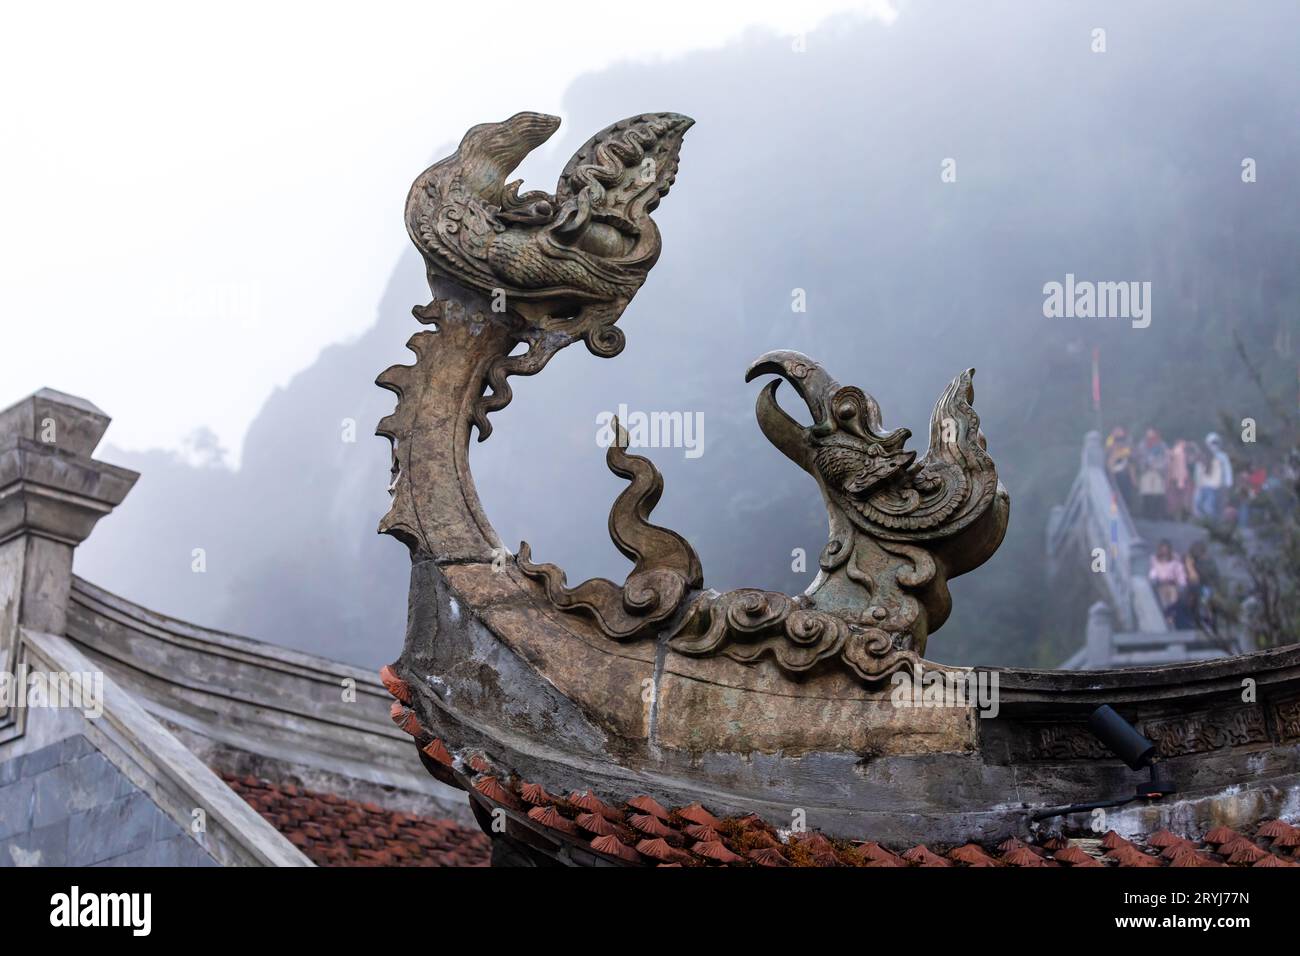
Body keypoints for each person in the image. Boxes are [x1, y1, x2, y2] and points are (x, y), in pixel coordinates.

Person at [1148, 539, 1187, 627]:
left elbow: (1180, 573)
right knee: (1163, 600)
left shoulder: (1175, 560)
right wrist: (1154, 578)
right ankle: (1166, 619)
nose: (1164, 551)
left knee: (1173, 596)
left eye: (1166, 549)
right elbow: (1153, 571)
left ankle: (1172, 618)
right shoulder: (1154, 560)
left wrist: (1182, 584)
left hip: (1172, 584)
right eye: (1163, 549)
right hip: (1160, 584)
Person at [1183, 539, 1219, 628]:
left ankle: (1205, 621)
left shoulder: (1207, 562)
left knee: (1204, 598)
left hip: (1209, 588)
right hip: (1199, 589)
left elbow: (1197, 579)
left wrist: (1190, 566)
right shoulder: (1196, 561)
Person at [1136, 429, 1168, 520]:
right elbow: (1139, 457)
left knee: (1157, 493)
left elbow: (1166, 458)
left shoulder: (1162, 445)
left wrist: (1159, 466)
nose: (1151, 438)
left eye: (1153, 436)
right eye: (1149, 436)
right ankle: (1146, 514)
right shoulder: (1142, 445)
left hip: (1158, 471)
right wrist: (1145, 465)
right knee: (1146, 493)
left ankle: (1156, 515)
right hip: (1146, 471)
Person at [1193, 434, 1226, 519]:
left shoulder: (1218, 459)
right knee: (1198, 503)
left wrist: (1220, 485)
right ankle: (1202, 521)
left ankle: (1210, 522)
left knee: (1209, 506)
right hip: (1202, 486)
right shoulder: (1201, 460)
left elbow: (1219, 475)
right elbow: (1198, 473)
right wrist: (1198, 484)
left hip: (1212, 487)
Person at [1106, 427, 1136, 507]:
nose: (1118, 432)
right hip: (1114, 472)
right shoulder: (1110, 439)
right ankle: (1114, 508)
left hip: (1125, 472)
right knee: (1114, 491)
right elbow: (1108, 451)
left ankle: (1127, 508)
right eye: (1116, 430)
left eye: (1119, 430)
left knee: (1125, 492)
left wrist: (1124, 452)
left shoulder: (1128, 440)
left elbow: (1131, 454)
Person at [1165, 439, 1192, 522]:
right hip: (1178, 479)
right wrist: (1181, 481)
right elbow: (1180, 468)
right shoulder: (1179, 452)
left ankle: (1176, 517)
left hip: (1176, 478)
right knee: (1179, 498)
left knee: (1176, 498)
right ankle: (1179, 517)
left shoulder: (1175, 452)